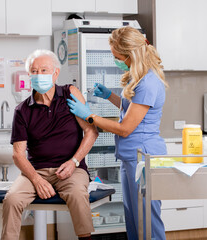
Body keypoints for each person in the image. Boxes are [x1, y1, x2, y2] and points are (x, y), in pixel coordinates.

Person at [67, 26, 167, 240]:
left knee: (147, 218)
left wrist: (90, 116)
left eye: (117, 57)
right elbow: (131, 108)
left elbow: (125, 128)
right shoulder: (138, 77)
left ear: (130, 55)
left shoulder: (148, 82)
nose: (116, 61)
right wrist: (110, 96)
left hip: (143, 157)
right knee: (133, 218)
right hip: (131, 157)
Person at [1, 49, 98, 240]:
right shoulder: (22, 110)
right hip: (35, 172)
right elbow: (18, 154)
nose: (39, 75)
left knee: (78, 194)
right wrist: (37, 180)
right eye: (34, 71)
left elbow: (91, 131)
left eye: (44, 70)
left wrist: (74, 162)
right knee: (12, 199)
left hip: (72, 168)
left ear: (55, 73)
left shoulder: (70, 93)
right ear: (29, 75)